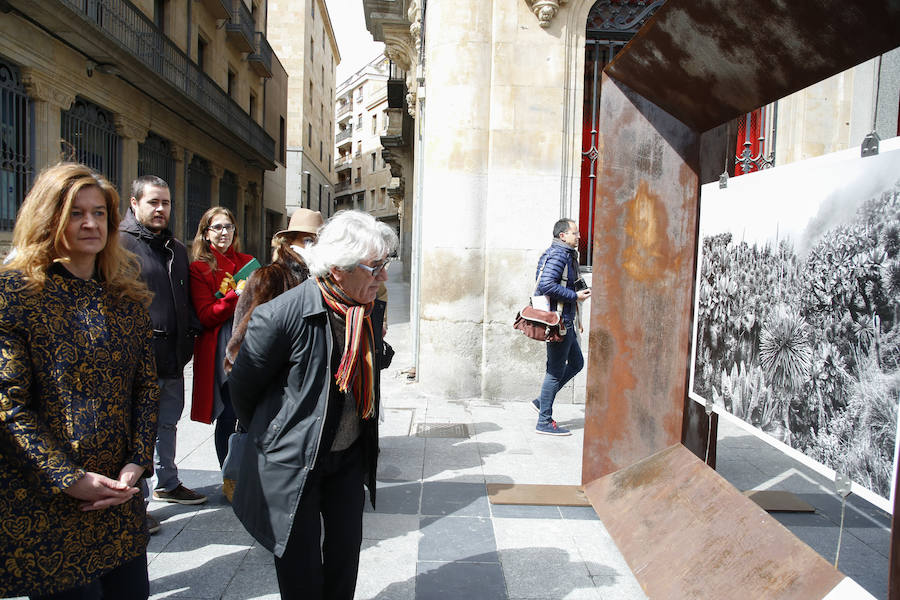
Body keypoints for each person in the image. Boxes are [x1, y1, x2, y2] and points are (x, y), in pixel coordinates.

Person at [0, 163, 159, 599]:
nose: (90, 223)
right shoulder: (16, 294)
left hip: (119, 499)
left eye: (99, 212)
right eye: (75, 212)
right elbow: (7, 405)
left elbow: (146, 388)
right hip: (49, 503)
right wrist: (68, 478)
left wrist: (137, 463)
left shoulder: (126, 298)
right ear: (48, 217)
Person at [228, 210, 397, 600]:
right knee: (300, 569)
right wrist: (279, 436)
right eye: (375, 268)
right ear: (338, 269)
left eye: (384, 265)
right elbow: (243, 391)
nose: (383, 277)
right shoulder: (279, 315)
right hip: (294, 463)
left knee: (344, 556)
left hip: (347, 457)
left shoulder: (364, 311)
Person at [120, 175, 207, 530]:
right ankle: (134, 503)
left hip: (172, 356)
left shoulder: (176, 247)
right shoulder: (120, 245)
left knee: (167, 422)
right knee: (135, 428)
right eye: (153, 202)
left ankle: (168, 483)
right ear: (135, 202)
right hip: (137, 359)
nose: (160, 209)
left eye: (166, 203)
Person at [219, 208, 323, 501]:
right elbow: (240, 346)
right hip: (275, 396)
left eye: (319, 241)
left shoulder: (323, 280)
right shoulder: (269, 278)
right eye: (309, 240)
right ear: (291, 242)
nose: (314, 247)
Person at [188, 207, 256, 473]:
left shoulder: (247, 260)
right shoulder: (199, 268)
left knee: (251, 411)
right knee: (228, 414)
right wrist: (235, 295)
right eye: (217, 227)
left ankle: (250, 471)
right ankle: (229, 475)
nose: (224, 232)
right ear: (206, 234)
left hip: (251, 341)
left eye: (228, 226)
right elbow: (206, 315)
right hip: (221, 347)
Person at [531, 218, 591, 436]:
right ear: (562, 235)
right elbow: (546, 285)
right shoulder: (559, 254)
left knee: (576, 362)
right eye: (575, 233)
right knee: (555, 371)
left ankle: (542, 401)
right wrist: (575, 296)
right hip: (559, 322)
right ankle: (544, 421)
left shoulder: (565, 254)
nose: (579, 237)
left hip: (566, 319)